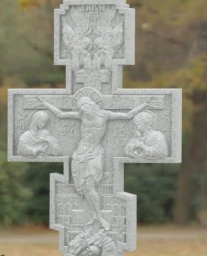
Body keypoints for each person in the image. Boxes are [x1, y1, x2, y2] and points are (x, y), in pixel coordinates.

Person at [39, 93, 150, 231]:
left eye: (84, 106)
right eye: (80, 108)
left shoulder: (105, 115)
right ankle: (94, 216)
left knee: (90, 186)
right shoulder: (81, 116)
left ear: (90, 104)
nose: (83, 110)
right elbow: (60, 114)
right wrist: (45, 104)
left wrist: (144, 105)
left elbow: (127, 116)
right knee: (84, 187)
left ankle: (99, 216)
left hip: (94, 153)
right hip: (80, 154)